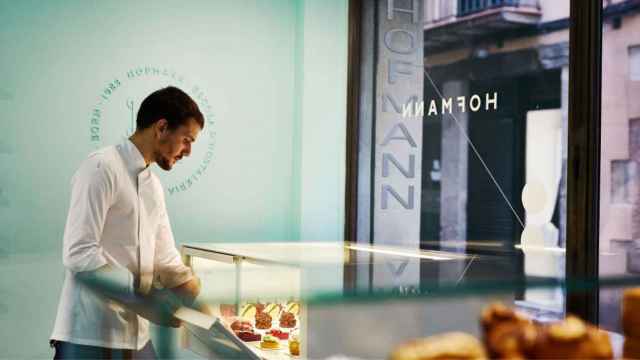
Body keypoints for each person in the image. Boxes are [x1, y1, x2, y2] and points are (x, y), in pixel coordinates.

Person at [50, 86, 204, 359]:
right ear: (162, 127)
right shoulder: (101, 167)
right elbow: (79, 253)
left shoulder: (153, 186)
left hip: (136, 338)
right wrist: (147, 303)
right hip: (88, 335)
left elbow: (166, 261)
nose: (189, 151)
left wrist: (200, 299)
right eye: (187, 139)